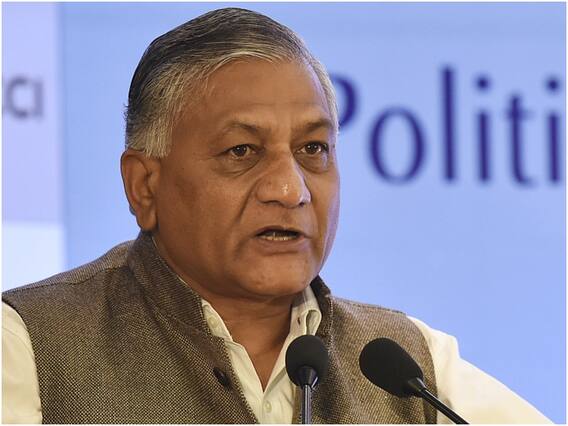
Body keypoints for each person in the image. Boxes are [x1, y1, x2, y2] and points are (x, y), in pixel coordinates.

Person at [2, 7, 551, 424]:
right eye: (241, 151)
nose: (290, 190)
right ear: (144, 186)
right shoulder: (28, 349)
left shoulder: (411, 368)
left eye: (313, 150)